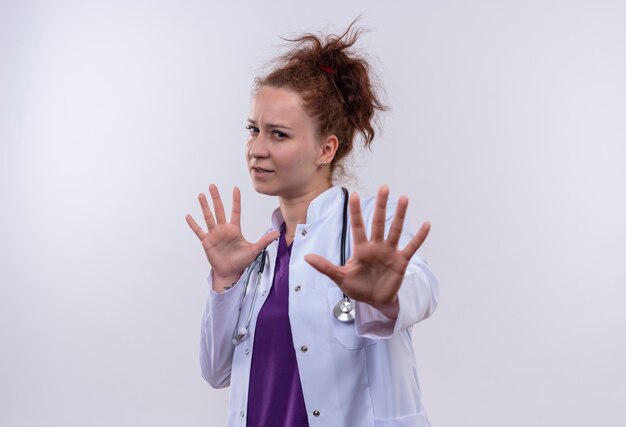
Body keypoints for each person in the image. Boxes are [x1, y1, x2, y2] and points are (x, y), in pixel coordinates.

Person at [186, 20, 439, 427]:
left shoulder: (368, 228)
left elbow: (422, 289)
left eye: (278, 134)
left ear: (326, 148)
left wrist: (385, 296)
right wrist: (225, 281)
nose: (256, 149)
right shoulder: (259, 257)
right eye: (253, 130)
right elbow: (216, 371)